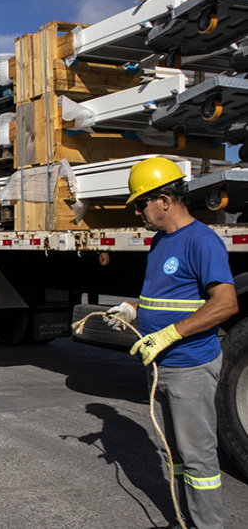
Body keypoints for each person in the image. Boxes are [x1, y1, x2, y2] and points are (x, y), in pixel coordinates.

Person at [106, 156, 237, 529]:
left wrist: (171, 333)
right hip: (162, 366)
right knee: (175, 456)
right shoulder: (161, 242)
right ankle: (185, 519)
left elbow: (226, 303)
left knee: (198, 461)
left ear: (164, 199)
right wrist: (132, 309)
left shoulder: (201, 241)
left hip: (190, 366)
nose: (137, 212)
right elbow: (163, 298)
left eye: (139, 203)